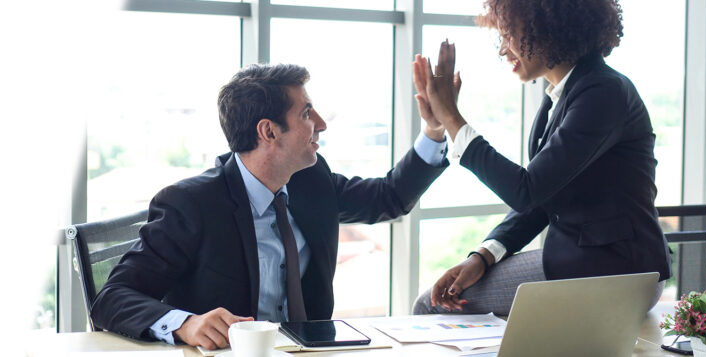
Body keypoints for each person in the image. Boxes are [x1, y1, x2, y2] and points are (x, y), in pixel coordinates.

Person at [90, 63, 449, 349]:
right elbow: (112, 298)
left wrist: (434, 130)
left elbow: (389, 197)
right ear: (269, 132)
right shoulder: (191, 204)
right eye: (307, 113)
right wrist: (187, 323)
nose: (321, 124)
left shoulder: (312, 179)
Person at [410, 0, 671, 316]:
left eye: (509, 35)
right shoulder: (562, 97)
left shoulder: (603, 91)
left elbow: (527, 189)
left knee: (430, 306)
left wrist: (451, 118)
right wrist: (483, 255)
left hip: (619, 270)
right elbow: (543, 197)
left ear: (547, 29)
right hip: (593, 264)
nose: (503, 50)